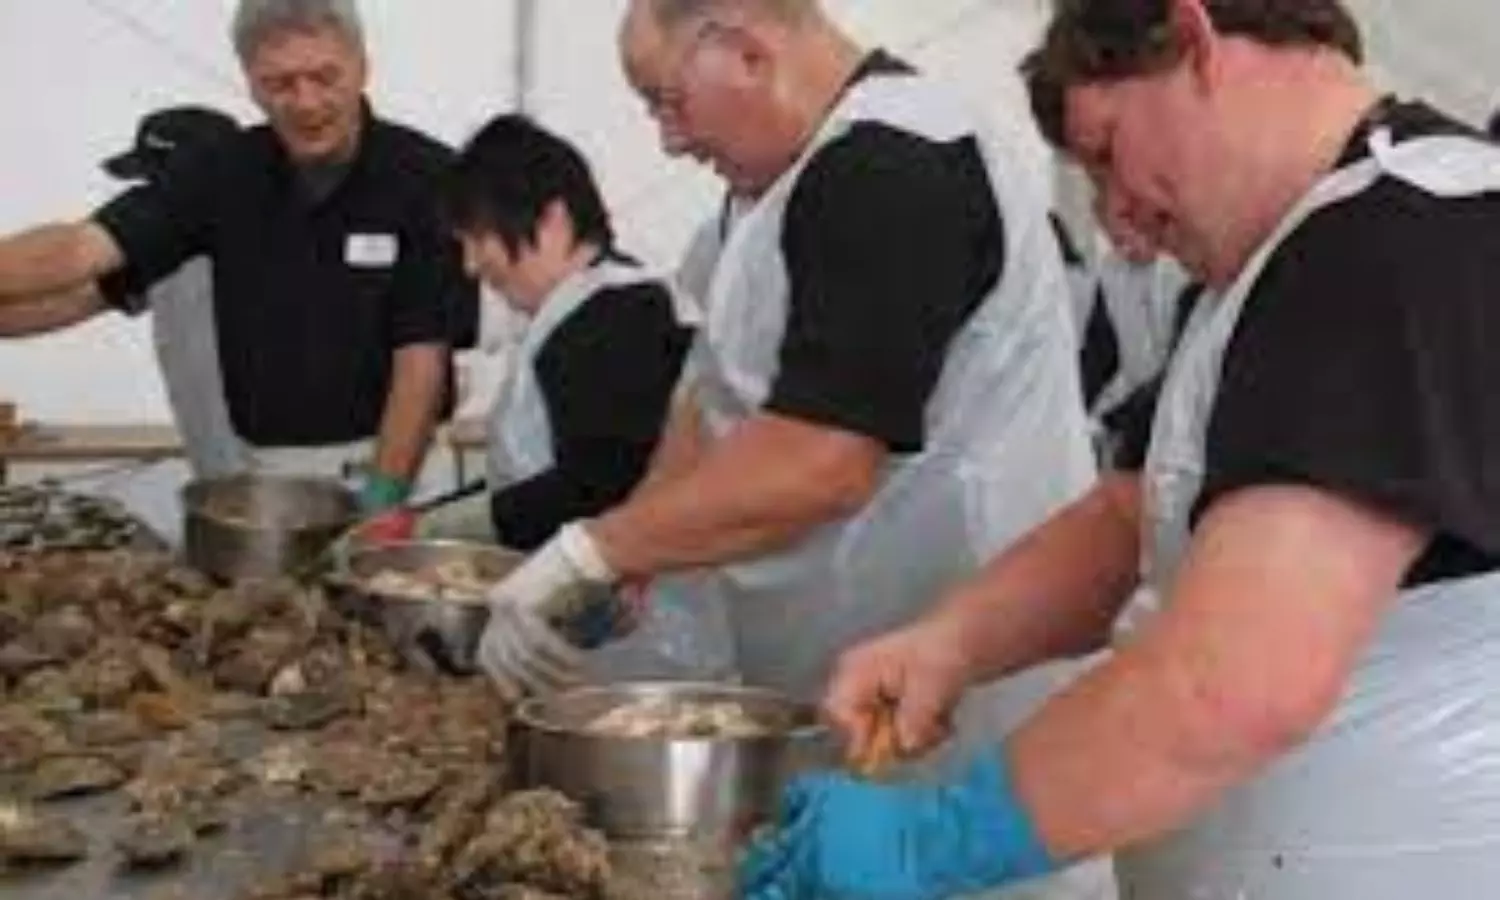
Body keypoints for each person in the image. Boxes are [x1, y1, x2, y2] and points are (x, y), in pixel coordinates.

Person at [738, 1, 1500, 898]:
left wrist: (935, 839)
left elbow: (1237, 680)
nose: (1117, 222)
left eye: (1106, 152)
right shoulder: (1273, 267)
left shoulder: (1395, 240)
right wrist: (950, 642)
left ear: (1194, 40)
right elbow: (1135, 516)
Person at [479, 1, 1108, 896]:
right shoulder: (761, 200)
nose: (668, 140)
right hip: (840, 683)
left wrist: (593, 549)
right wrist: (634, 558)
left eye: (666, 102)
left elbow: (824, 460)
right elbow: (708, 402)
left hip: (958, 688)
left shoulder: (896, 165)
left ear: (746, 50)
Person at [0, 0, 477, 519]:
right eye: (280, 83)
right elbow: (81, 250)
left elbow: (421, 362)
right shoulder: (222, 174)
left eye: (325, 77)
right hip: (269, 478)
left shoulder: (426, 178)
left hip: (398, 471)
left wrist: (382, 503)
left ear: (363, 66)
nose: (306, 102)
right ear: (249, 81)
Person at [364, 114, 731, 677]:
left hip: (641, 636)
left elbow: (599, 481)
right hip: (588, 614)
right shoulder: (578, 313)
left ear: (552, 219)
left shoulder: (614, 316)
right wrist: (421, 517)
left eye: (478, 238)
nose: (470, 265)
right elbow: (532, 472)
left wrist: (442, 527)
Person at [0, 105, 247, 479]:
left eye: (160, 183)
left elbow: (64, 254)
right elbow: (71, 299)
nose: (151, 198)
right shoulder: (167, 248)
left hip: (290, 480)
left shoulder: (272, 239)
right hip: (220, 477)